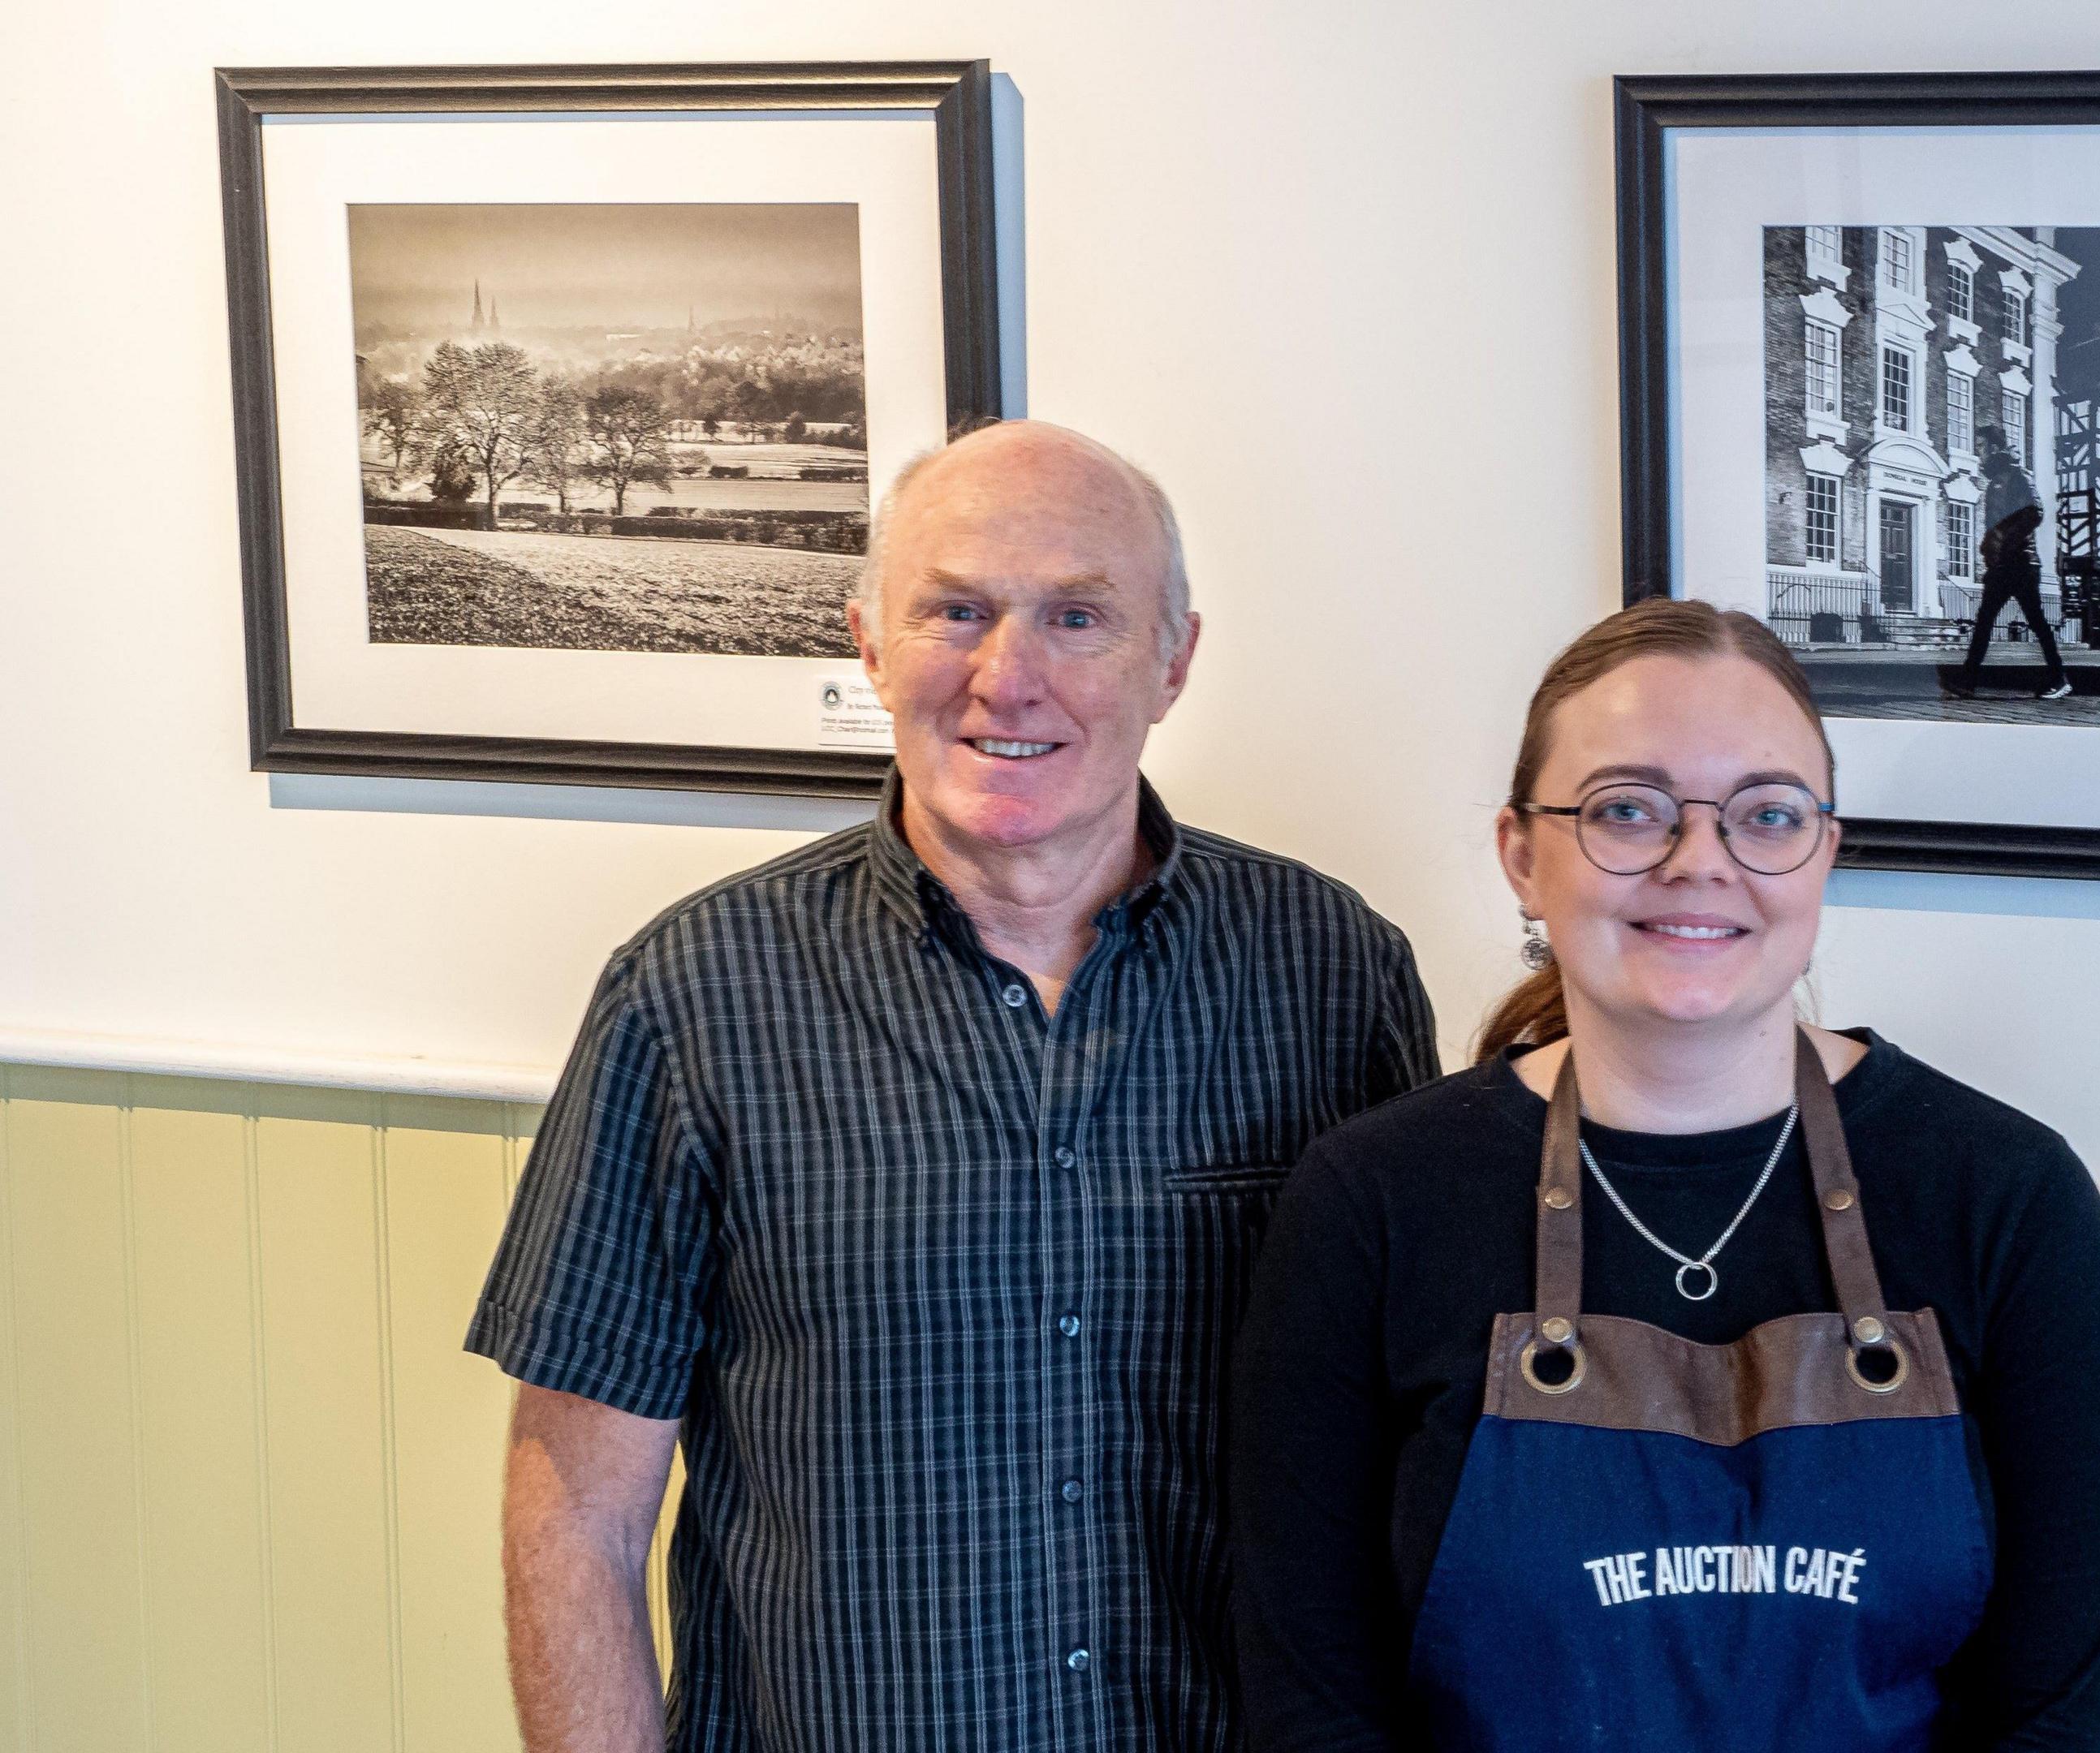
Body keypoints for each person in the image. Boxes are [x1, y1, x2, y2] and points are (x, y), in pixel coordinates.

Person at [468, 421, 1438, 1751]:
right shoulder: (693, 997)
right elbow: (577, 1509)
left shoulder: (1332, 977)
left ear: (1175, 661)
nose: (1007, 676)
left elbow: (1411, 1468)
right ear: (869, 640)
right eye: (957, 611)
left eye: (1078, 617)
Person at [1230, 600, 2100, 1751]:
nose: (1698, 862)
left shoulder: (2005, 1197)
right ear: (1523, 854)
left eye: (1766, 816)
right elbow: (1312, 1698)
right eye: (1628, 810)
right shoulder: (1375, 1202)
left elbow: (2052, 1716)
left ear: (1825, 851)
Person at [1952, 429, 2075, 700]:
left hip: (2021, 563)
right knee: (1984, 621)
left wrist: (2002, 539)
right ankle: (1967, 682)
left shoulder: (2018, 476)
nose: (1979, 451)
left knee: (2037, 622)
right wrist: (1990, 544)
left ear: (1996, 448)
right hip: (2002, 566)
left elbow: (2035, 512)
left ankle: (2059, 679)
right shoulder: (1997, 479)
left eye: (1982, 445)